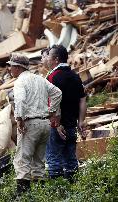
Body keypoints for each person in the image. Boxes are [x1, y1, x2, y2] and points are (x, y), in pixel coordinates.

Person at [7, 53, 62, 195]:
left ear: (18, 68)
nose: (9, 69)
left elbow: (20, 100)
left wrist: (19, 119)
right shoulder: (40, 79)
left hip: (30, 124)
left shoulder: (20, 82)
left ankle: (23, 196)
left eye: (11, 66)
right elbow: (57, 93)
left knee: (22, 160)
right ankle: (42, 194)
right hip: (45, 124)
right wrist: (52, 111)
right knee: (39, 162)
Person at [41, 45, 87, 182]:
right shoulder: (75, 76)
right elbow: (83, 100)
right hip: (72, 124)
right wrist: (81, 121)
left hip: (58, 127)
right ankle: (73, 189)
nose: (46, 59)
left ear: (55, 59)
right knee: (71, 159)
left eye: (48, 56)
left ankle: (58, 192)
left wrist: (57, 124)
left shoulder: (52, 77)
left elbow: (53, 102)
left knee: (54, 159)